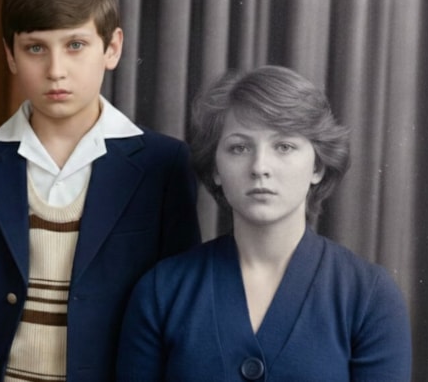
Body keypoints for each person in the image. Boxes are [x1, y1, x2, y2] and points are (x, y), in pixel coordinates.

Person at [0, 0, 201, 381]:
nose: (55, 71)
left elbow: (178, 310)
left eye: (75, 45)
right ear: (10, 55)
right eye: (35, 48)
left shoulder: (163, 165)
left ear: (112, 48)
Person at [116, 65, 412, 381]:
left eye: (284, 146)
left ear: (317, 167)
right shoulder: (162, 291)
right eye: (239, 148)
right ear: (215, 169)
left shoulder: (368, 295)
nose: (260, 167)